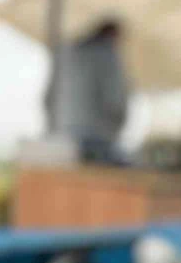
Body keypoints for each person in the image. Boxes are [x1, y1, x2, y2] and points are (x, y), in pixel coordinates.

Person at [45, 15, 129, 164]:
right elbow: (115, 100)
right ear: (113, 34)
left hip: (60, 136)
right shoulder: (108, 55)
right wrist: (117, 127)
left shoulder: (65, 53)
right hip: (97, 138)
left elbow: (48, 98)